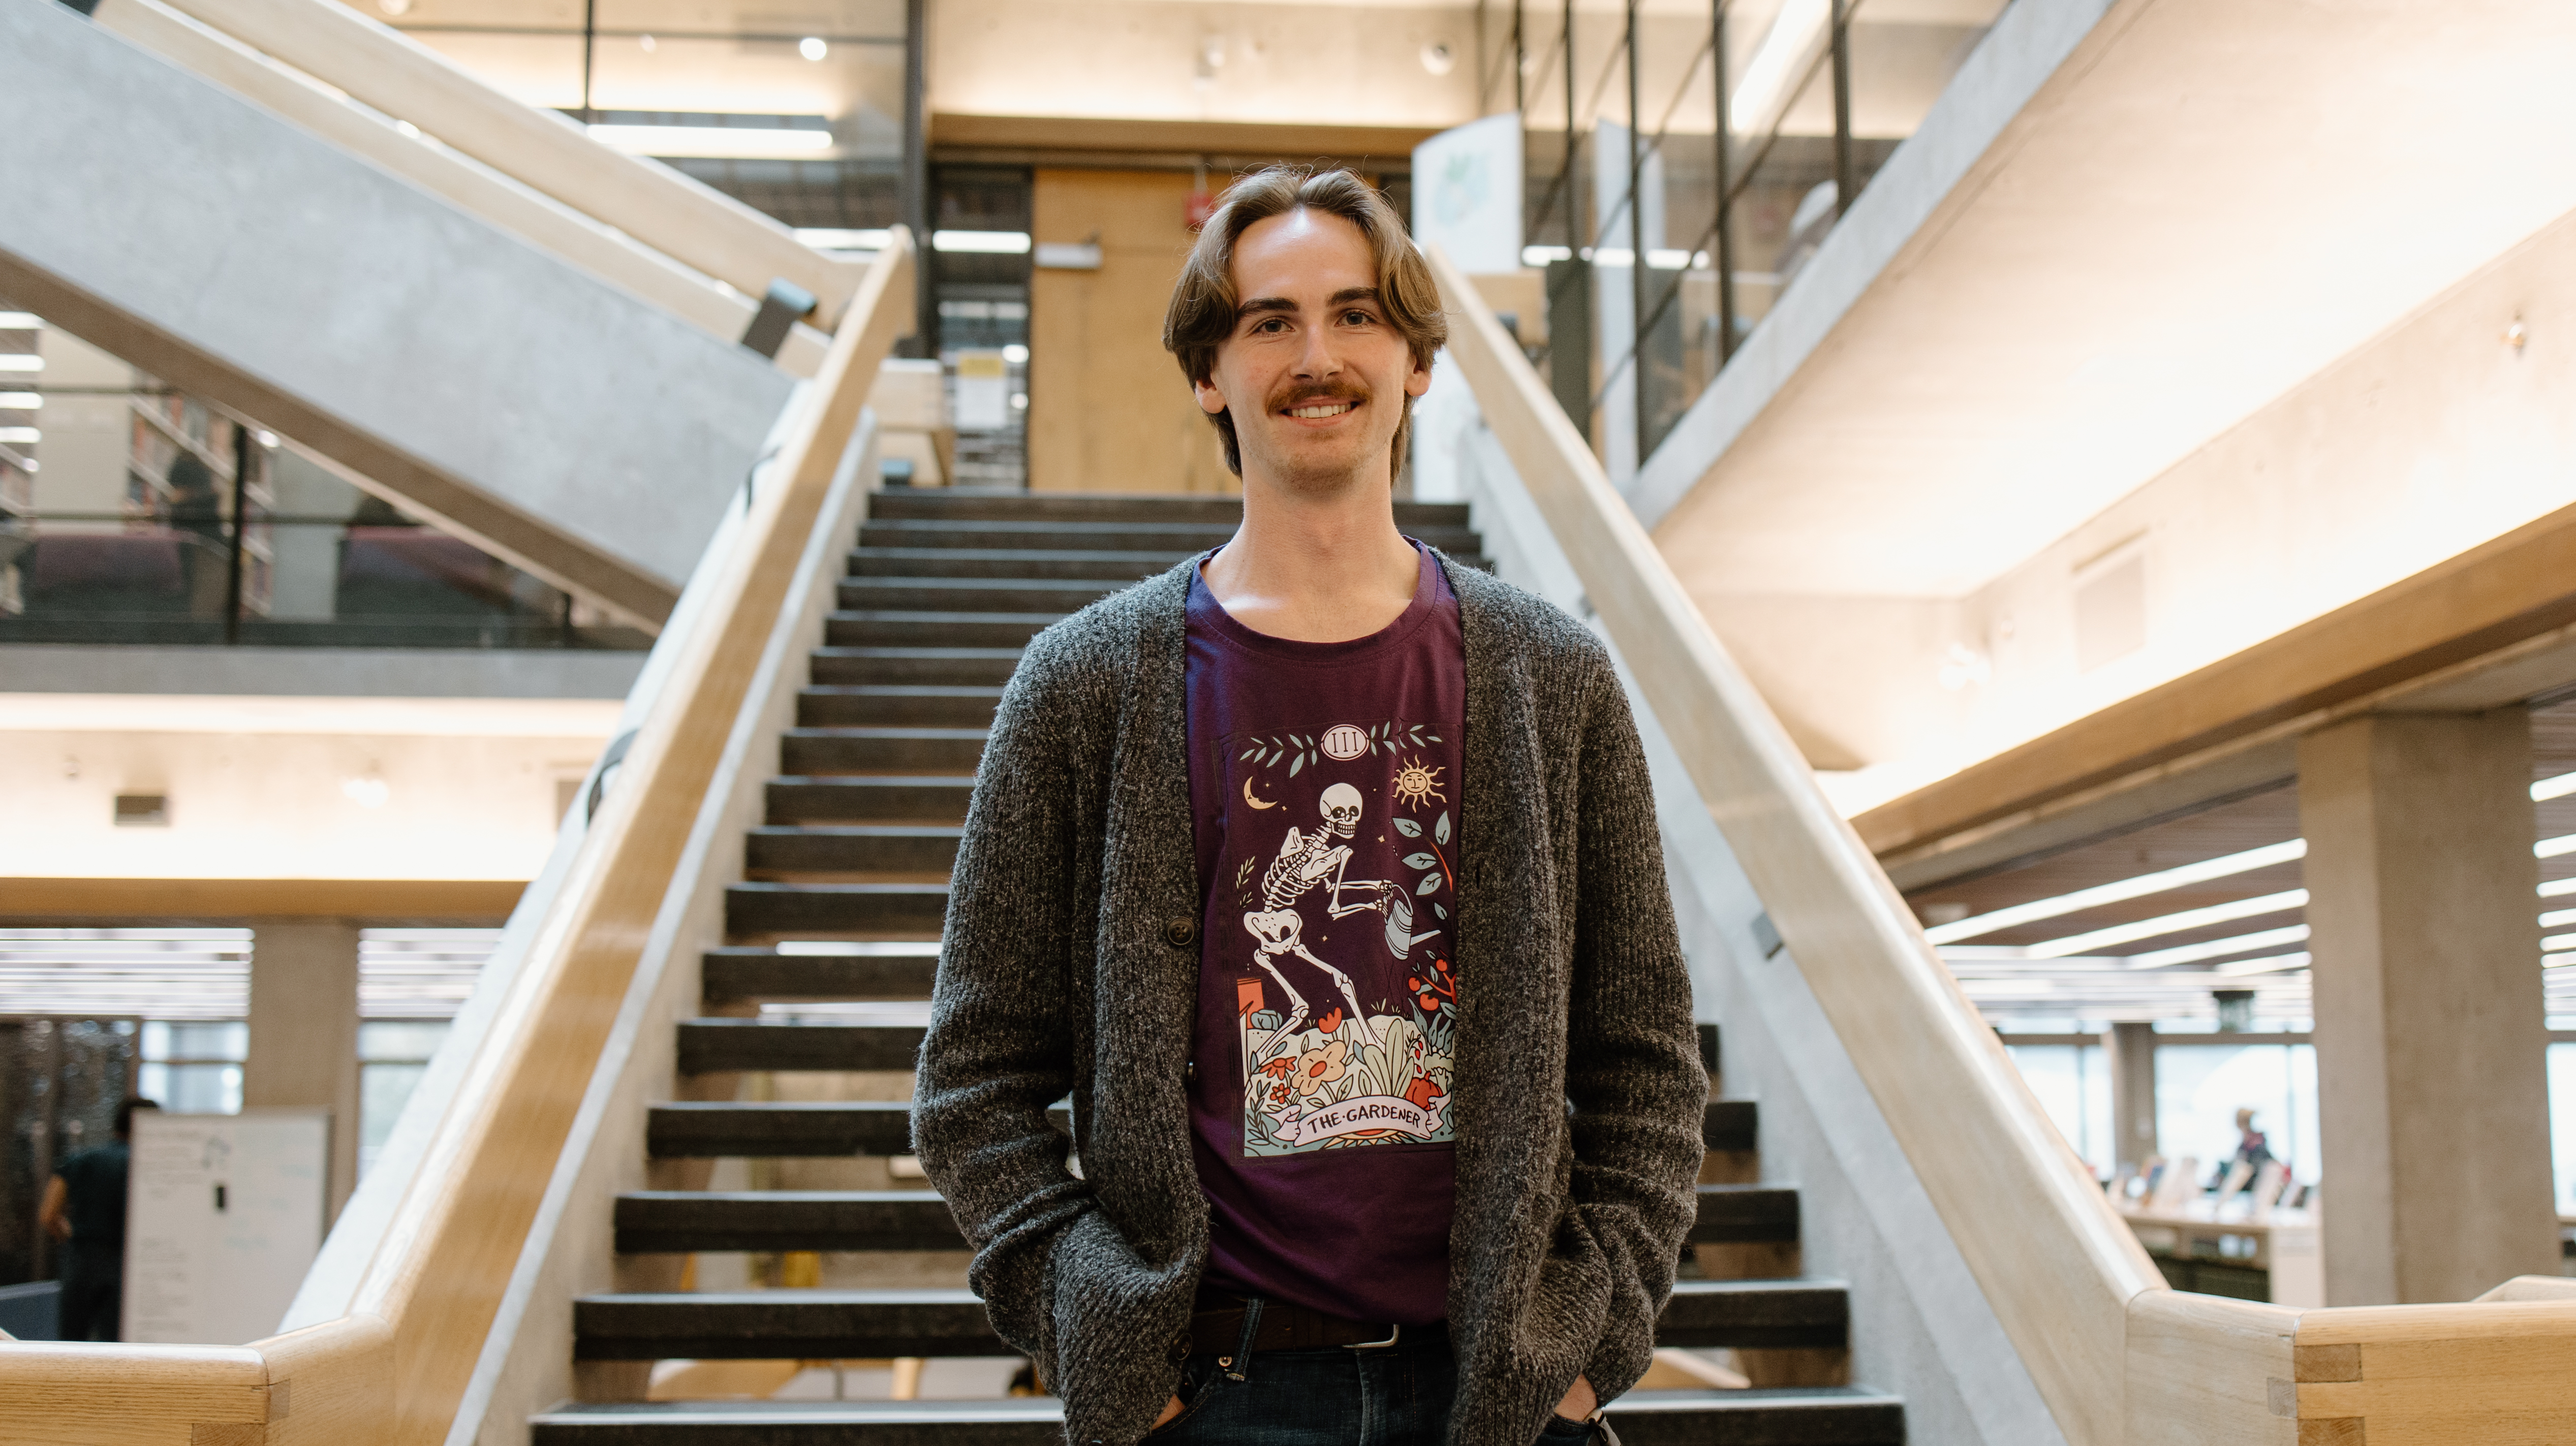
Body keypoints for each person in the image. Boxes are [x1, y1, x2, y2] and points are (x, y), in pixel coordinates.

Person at [913, 166, 1706, 1446]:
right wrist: (1098, 1328)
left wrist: (1590, 1337)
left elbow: (1645, 1049)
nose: (1316, 354)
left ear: (1417, 360)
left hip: (1498, 1396)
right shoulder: (1082, 684)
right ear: (1208, 374)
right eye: (1268, 321)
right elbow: (973, 1080)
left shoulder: (1549, 675)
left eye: (1353, 314)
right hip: (1215, 1391)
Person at [40, 1096, 158, 1341]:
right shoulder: (146, 1166)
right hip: (126, 1263)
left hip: (81, 1260)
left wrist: (74, 1238)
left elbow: (49, 1214)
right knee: (114, 1345)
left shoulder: (79, 1160)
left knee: (71, 1342)